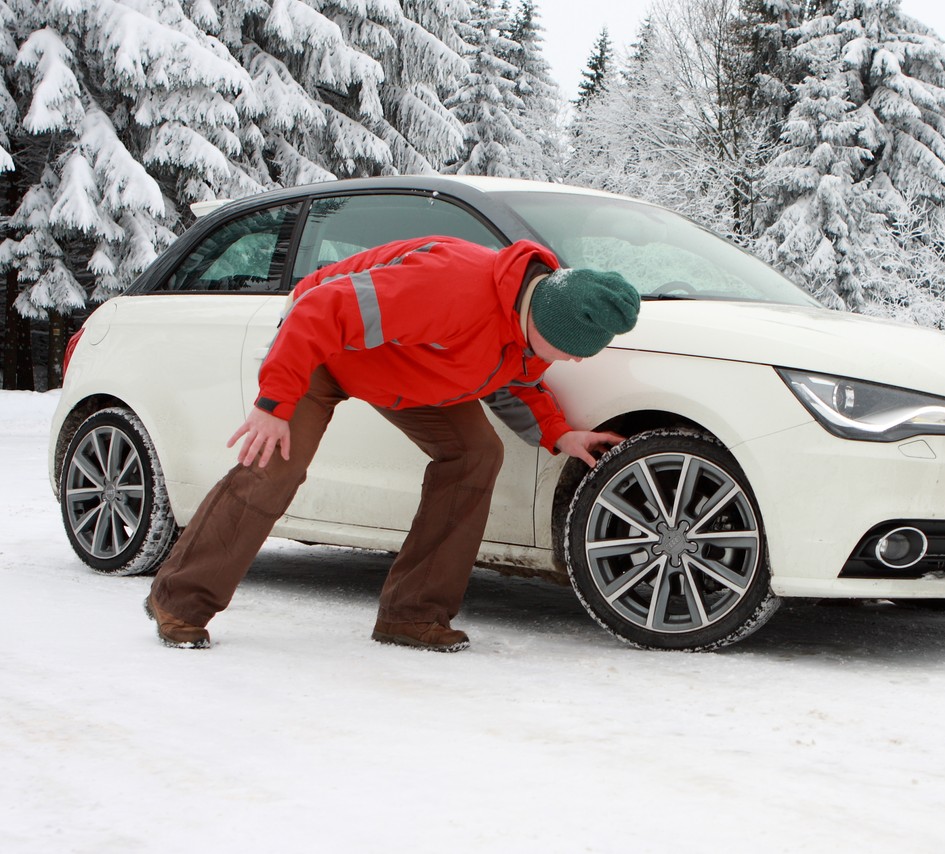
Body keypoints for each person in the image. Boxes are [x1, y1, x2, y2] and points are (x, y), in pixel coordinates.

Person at [144, 235, 640, 653]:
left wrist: (559, 433)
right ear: (545, 323)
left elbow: (517, 380)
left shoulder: (528, 331)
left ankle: (412, 613)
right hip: (322, 349)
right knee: (276, 464)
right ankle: (179, 599)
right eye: (572, 352)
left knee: (476, 454)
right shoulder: (451, 287)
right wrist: (274, 404)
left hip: (404, 370)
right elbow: (320, 310)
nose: (574, 362)